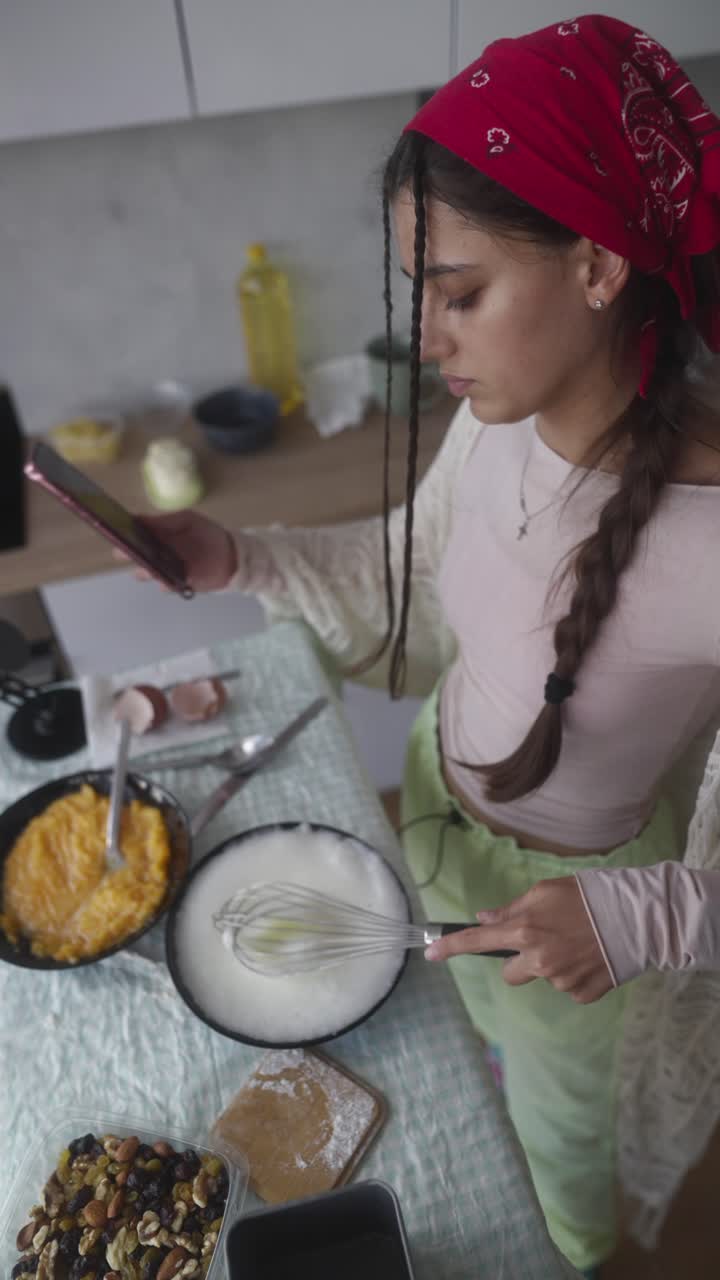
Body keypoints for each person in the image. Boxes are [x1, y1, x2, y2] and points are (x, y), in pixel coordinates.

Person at [124, 15, 720, 1275]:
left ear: (601, 263)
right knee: (453, 1057)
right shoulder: (501, 419)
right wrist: (243, 557)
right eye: (421, 293)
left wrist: (638, 920)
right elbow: (417, 581)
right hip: (439, 823)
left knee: (559, 1163)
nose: (428, 337)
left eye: (462, 293)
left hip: (583, 917)